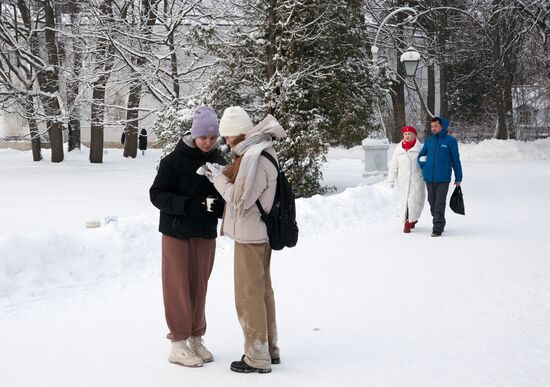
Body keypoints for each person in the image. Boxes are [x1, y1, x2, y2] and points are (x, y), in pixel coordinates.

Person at [204, 106, 284, 374]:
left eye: (227, 137)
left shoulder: (254, 157)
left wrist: (216, 178)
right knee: (262, 293)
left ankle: (257, 356)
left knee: (248, 296)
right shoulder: (256, 151)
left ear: (239, 134)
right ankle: (268, 349)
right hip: (259, 234)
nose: (225, 142)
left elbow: (239, 200)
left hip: (252, 236)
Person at [149, 106, 226, 367]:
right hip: (177, 233)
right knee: (177, 287)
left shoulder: (219, 162)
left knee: (199, 286)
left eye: (213, 137)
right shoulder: (173, 161)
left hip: (204, 234)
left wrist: (216, 206)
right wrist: (189, 205)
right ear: (194, 135)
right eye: (204, 137)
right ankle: (178, 342)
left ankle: (196, 336)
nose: (208, 142)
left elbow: (226, 197)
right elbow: (157, 194)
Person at [418, 116, 463, 237]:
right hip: (429, 178)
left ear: (442, 126)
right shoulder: (429, 141)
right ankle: (439, 219)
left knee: (439, 202)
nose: (433, 128)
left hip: (443, 178)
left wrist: (458, 177)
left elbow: (455, 160)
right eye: (432, 126)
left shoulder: (450, 141)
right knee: (432, 202)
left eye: (436, 126)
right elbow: (421, 156)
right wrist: (424, 166)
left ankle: (437, 227)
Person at [388, 126, 426, 233]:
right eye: (405, 134)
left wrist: (426, 175)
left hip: (416, 180)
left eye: (410, 134)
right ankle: (407, 221)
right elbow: (393, 165)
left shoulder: (421, 148)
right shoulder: (399, 149)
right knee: (405, 201)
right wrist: (390, 179)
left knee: (415, 201)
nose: (407, 136)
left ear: (414, 135)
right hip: (403, 180)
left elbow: (425, 163)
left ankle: (412, 220)